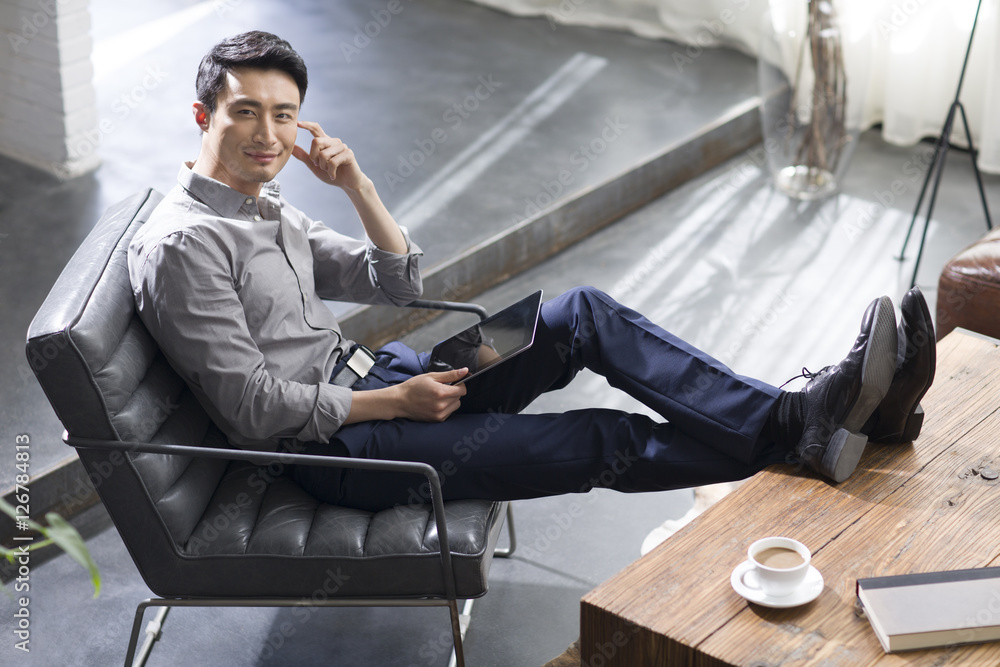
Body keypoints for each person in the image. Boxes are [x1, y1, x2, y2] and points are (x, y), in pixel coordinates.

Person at [128, 32, 935, 512]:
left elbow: (397, 283)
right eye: (246, 112)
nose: (268, 133)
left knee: (581, 313)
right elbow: (253, 410)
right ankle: (809, 425)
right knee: (602, 437)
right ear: (204, 116)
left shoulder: (266, 204)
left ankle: (815, 421)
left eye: (285, 114)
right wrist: (393, 400)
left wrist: (357, 186)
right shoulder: (183, 247)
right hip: (350, 446)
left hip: (399, 379)